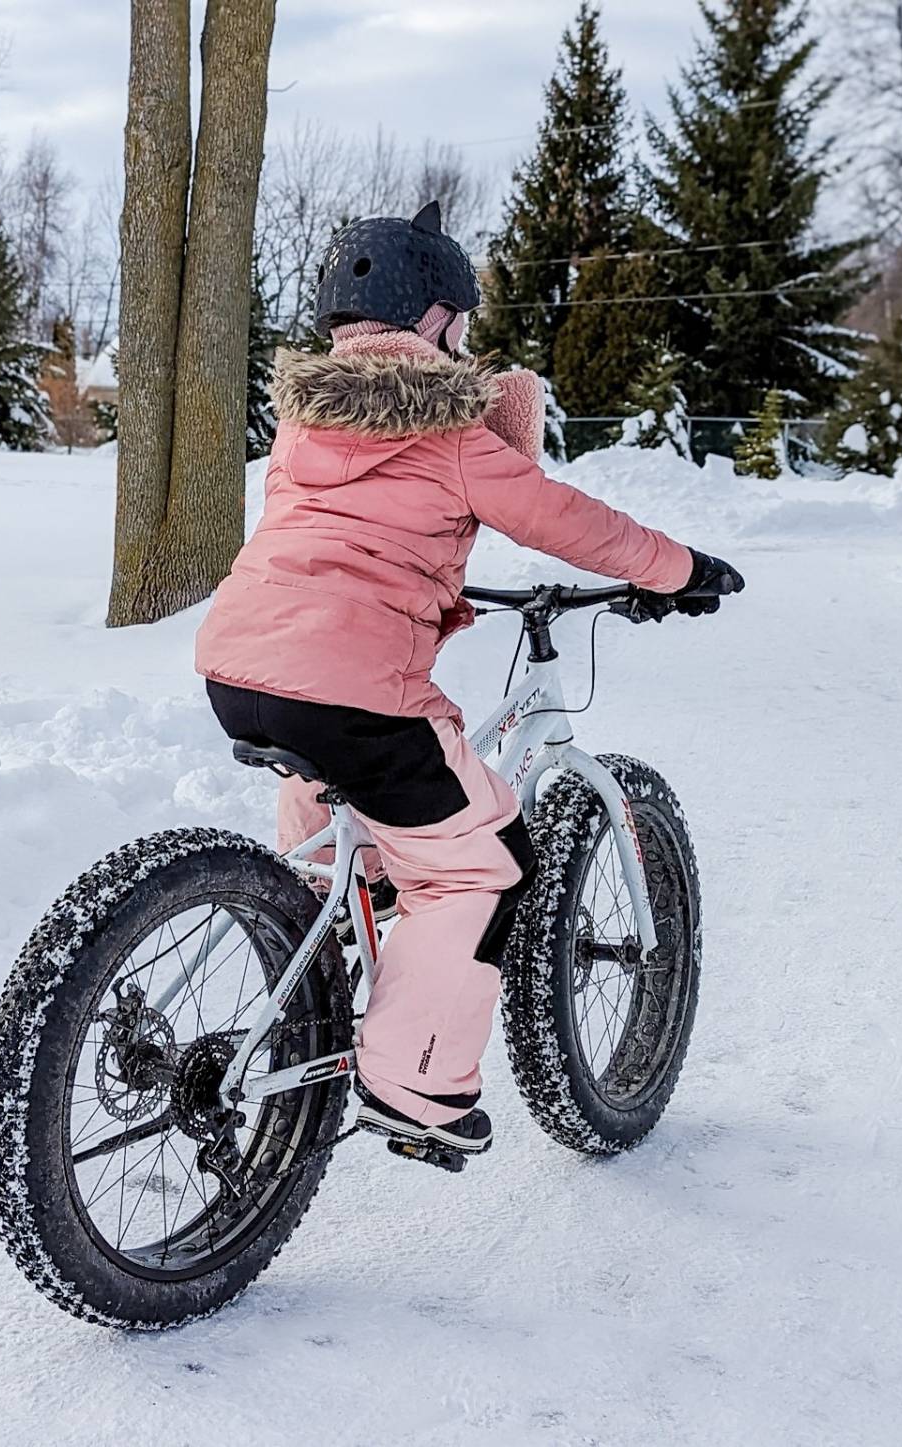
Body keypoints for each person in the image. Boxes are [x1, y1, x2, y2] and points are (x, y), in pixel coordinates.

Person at [194, 201, 744, 1158]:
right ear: (438, 321)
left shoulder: (302, 422)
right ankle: (414, 1082)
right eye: (462, 323)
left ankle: (321, 943)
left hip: (239, 663)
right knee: (482, 863)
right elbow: (566, 520)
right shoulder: (450, 431)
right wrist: (680, 568)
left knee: (345, 814)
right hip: (352, 686)